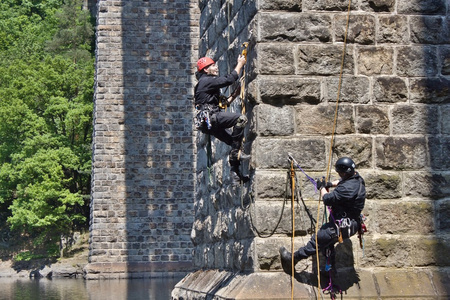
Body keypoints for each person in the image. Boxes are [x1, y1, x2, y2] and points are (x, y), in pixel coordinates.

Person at [279, 157, 366, 275]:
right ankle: (331, 271)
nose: (339, 175)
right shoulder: (357, 179)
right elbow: (341, 182)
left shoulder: (346, 189)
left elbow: (327, 199)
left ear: (345, 172)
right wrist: (329, 184)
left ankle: (292, 259)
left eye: (340, 173)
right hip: (351, 223)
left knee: (318, 240)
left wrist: (322, 188)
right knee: (328, 245)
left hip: (342, 226)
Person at [194, 55, 250, 185]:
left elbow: (220, 104)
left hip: (208, 122)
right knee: (240, 119)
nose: (216, 67)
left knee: (234, 142)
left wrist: (233, 96)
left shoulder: (204, 84)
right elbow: (230, 79)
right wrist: (240, 63)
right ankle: (236, 155)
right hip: (211, 118)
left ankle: (235, 174)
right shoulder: (206, 80)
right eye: (213, 65)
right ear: (206, 70)